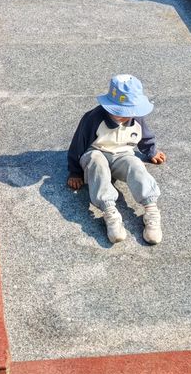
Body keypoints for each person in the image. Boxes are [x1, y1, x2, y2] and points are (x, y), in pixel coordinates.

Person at [67, 74, 166, 245]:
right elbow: (78, 144)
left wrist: (151, 151)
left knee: (135, 164)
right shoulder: (93, 118)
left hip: (122, 155)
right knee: (96, 162)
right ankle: (109, 211)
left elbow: (145, 136)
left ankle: (150, 209)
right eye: (119, 112)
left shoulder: (136, 118)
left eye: (129, 112)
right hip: (97, 152)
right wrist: (75, 172)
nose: (125, 116)